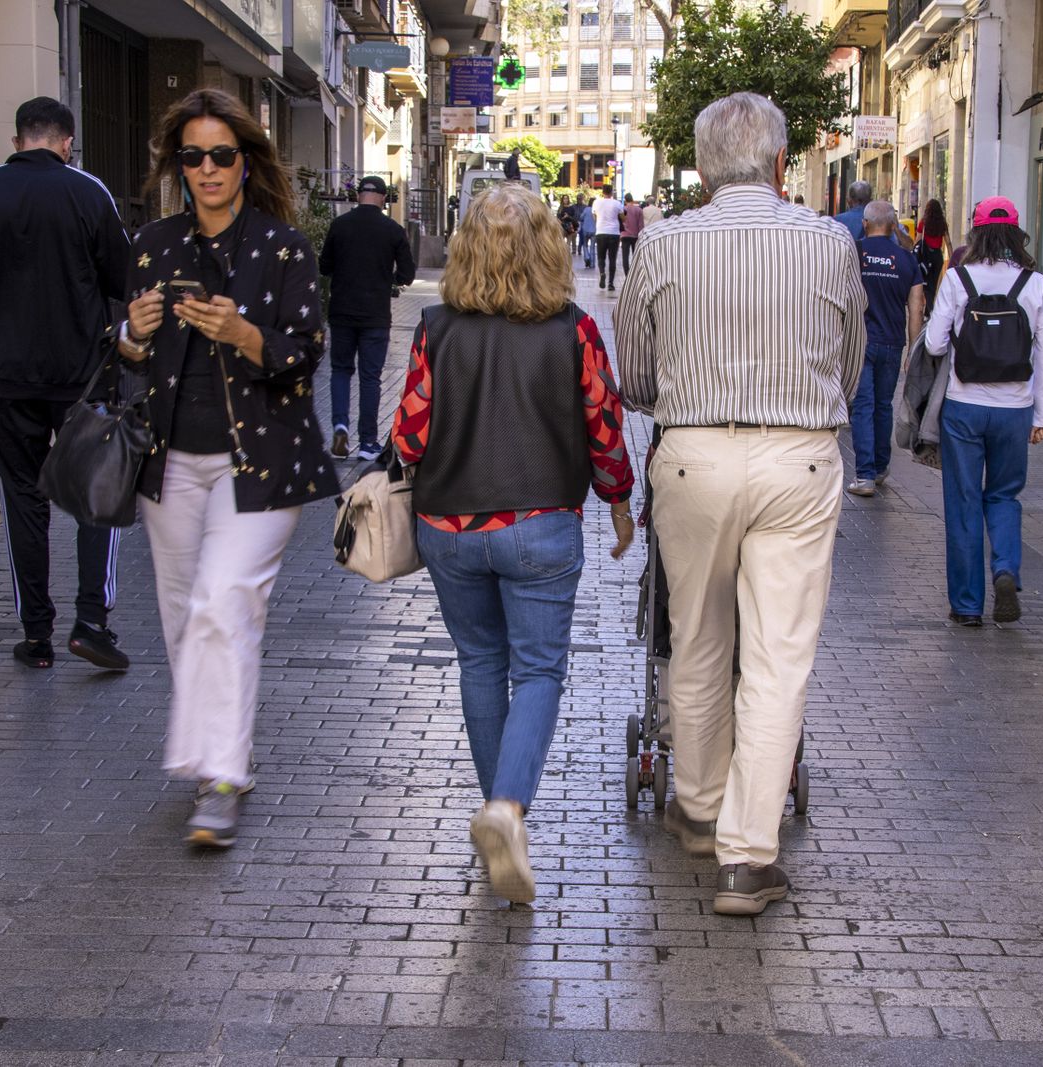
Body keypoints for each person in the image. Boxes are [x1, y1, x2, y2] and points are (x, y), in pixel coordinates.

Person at [615, 93, 866, 916]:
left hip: (693, 454)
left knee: (694, 637)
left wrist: (686, 401)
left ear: (701, 166)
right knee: (777, 657)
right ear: (781, 164)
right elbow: (852, 365)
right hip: (799, 457)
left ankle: (696, 805)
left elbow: (637, 376)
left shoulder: (661, 242)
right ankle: (748, 856)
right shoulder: (832, 243)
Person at [392, 182, 636, 904]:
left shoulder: (435, 327)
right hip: (540, 526)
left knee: (479, 664)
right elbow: (604, 426)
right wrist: (620, 501)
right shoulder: (574, 328)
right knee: (537, 672)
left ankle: (502, 813)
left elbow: (409, 434)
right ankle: (506, 808)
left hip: (448, 528)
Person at [118, 89, 340, 847]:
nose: (206, 169)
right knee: (186, 616)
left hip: (263, 458)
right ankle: (224, 760)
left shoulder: (283, 247)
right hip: (170, 461)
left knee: (223, 602)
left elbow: (306, 352)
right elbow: (124, 361)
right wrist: (133, 334)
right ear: (177, 166)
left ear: (245, 163)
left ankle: (217, 779)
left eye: (220, 155)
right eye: (192, 156)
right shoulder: (152, 244)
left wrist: (245, 333)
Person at [0, 97, 130, 673]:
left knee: (22, 500)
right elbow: (125, 280)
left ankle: (36, 634)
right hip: (82, 378)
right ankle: (92, 624)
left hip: (6, 380)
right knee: (97, 496)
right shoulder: (90, 193)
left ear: (18, 142)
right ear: (67, 142)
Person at [923, 196, 1043, 628]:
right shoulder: (1035, 284)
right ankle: (1005, 569)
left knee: (963, 502)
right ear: (1018, 234)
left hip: (964, 407)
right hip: (1015, 409)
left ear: (976, 233)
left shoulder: (959, 279)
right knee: (1003, 495)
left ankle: (966, 606)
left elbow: (934, 344)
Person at [319, 175, 417, 461]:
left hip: (341, 312)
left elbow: (324, 265)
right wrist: (391, 279)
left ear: (358, 195)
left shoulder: (340, 226)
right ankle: (368, 442)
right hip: (375, 314)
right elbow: (408, 275)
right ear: (383, 199)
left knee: (340, 370)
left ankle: (340, 426)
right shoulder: (392, 230)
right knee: (370, 377)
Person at [848, 201, 926, 497]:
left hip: (859, 342)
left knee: (863, 407)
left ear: (866, 224)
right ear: (893, 225)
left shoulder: (854, 252)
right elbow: (916, 307)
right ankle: (880, 468)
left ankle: (864, 475)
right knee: (883, 405)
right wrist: (914, 349)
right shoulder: (906, 259)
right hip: (893, 343)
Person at [913, 199, 950, 304]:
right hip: (938, 256)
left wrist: (913, 253)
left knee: (926, 283)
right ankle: (930, 309)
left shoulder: (923, 222)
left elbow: (918, 240)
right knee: (934, 283)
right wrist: (952, 258)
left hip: (925, 256)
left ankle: (929, 310)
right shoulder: (942, 223)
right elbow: (948, 242)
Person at [592, 184, 624, 290]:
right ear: (612, 192)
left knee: (601, 257)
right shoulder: (617, 203)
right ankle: (611, 283)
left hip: (601, 232)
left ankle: (602, 273)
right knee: (612, 258)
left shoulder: (596, 202)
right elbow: (623, 218)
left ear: (602, 192)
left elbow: (594, 217)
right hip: (614, 233)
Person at [619, 192, 645, 277]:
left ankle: (627, 274)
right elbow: (641, 225)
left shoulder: (622, 209)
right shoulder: (639, 210)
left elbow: (620, 223)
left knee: (625, 256)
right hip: (635, 236)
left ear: (625, 200)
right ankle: (635, 274)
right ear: (632, 200)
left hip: (624, 235)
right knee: (635, 256)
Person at [577, 194, 597, 269]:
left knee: (585, 245)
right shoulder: (596, 210)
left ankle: (587, 257)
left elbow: (581, 217)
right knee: (592, 247)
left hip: (585, 230)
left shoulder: (586, 209)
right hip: (594, 230)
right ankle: (592, 264)